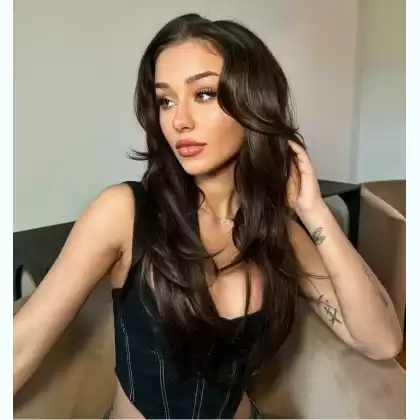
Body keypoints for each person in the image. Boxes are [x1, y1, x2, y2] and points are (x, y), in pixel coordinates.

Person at [13, 13, 402, 419]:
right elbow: (20, 348)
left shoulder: (274, 230)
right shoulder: (125, 213)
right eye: (165, 100)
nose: (179, 120)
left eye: (203, 94)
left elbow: (382, 341)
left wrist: (314, 210)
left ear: (252, 102)